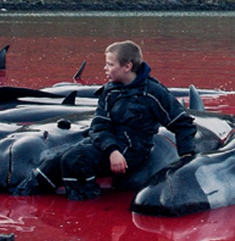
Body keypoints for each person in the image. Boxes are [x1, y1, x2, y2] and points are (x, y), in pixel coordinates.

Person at [20, 40, 196, 200]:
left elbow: (183, 124)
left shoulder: (153, 93)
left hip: (132, 149)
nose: (105, 68)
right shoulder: (110, 91)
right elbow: (99, 124)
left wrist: (187, 159)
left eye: (110, 64)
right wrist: (111, 149)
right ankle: (24, 197)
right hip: (108, 144)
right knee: (54, 159)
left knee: (73, 160)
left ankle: (86, 201)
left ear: (127, 66)